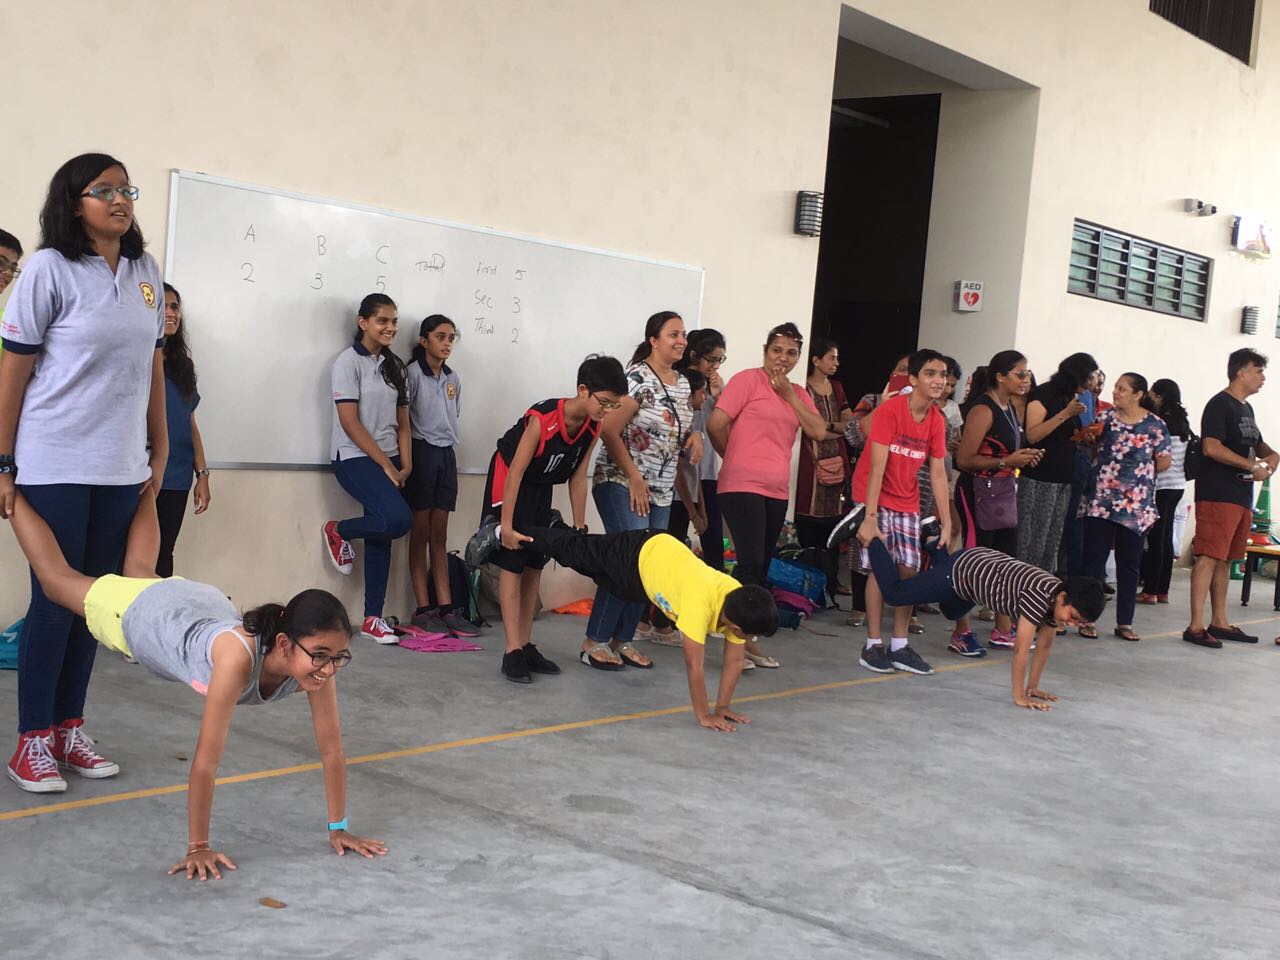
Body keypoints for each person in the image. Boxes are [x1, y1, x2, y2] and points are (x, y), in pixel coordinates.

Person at [6, 490, 387, 875]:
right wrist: (198, 847)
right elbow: (206, 760)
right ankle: (9, 493)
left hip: (196, 604)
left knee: (140, 570)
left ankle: (147, 485)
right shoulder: (237, 659)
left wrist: (339, 828)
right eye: (321, 655)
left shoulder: (315, 668)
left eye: (339, 657)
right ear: (285, 644)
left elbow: (332, 752)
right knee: (56, 581)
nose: (329, 668)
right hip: (149, 619)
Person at [0, 153, 168, 792]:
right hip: (54, 461)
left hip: (120, 467)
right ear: (75, 203)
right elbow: (13, 374)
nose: (121, 200)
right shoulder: (48, 268)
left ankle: (68, 729)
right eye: (104, 190)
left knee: (99, 604)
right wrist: (3, 462)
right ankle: (31, 741)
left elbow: (153, 369)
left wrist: (159, 449)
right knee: (55, 600)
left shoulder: (147, 272)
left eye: (127, 189)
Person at [467, 522, 778, 732]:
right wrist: (704, 715)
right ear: (735, 624)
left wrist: (723, 706)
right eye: (749, 633)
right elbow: (694, 666)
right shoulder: (702, 604)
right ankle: (504, 530)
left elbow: (734, 661)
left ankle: (555, 529)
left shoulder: (738, 600)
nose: (749, 639)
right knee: (575, 553)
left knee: (592, 571)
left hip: (642, 583)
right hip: (639, 551)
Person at [479, 355, 627, 682]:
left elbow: (578, 476)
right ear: (583, 390)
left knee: (535, 561)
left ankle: (525, 644)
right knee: (512, 561)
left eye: (613, 405)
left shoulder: (592, 426)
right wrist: (506, 526)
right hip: (510, 481)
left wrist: (579, 526)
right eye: (604, 402)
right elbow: (515, 473)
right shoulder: (543, 419)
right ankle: (511, 650)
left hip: (540, 486)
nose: (606, 410)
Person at [863, 527, 1104, 710]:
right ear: (1063, 597)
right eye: (1073, 617)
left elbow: (1045, 645)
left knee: (951, 611)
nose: (1071, 624)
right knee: (896, 595)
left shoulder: (1056, 601)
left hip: (974, 585)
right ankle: (870, 537)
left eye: (1078, 623)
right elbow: (1021, 650)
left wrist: (1033, 687)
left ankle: (934, 543)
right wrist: (1019, 695)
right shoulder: (1039, 596)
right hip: (963, 571)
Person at [708, 322, 827, 668]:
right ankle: (739, 643)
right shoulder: (747, 381)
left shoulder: (798, 393)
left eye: (791, 353)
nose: (782, 358)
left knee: (761, 564)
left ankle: (740, 634)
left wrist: (789, 395)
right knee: (750, 563)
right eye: (777, 351)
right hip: (741, 484)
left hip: (776, 489)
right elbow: (716, 424)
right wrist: (733, 456)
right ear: (765, 351)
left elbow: (818, 431)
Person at [829, 348, 951, 676]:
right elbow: (877, 467)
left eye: (942, 375)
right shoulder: (890, 411)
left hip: (907, 499)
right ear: (913, 379)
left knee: (909, 570)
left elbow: (938, 473)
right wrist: (869, 518)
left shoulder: (936, 420)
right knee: (880, 571)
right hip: (875, 496)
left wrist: (947, 522)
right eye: (930, 374)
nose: (938, 380)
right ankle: (873, 645)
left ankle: (899, 645)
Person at [589, 312, 700, 670]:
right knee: (626, 560)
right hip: (622, 482)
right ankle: (595, 641)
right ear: (653, 340)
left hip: (661, 490)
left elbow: (678, 427)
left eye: (683, 334)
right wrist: (635, 476)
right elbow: (609, 430)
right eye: (673, 334)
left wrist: (695, 436)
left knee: (650, 567)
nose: (681, 341)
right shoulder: (636, 378)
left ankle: (623, 641)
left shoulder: (682, 383)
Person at [321, 294, 413, 644]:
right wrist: (385, 464)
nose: (390, 327)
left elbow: (403, 423)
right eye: (382, 321)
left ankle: (373, 618)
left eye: (394, 321)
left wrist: (405, 464)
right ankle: (339, 530)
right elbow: (350, 422)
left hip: (390, 459)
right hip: (353, 457)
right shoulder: (347, 363)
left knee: (383, 530)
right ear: (363, 323)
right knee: (397, 520)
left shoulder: (395, 366)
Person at [1184, 349, 1277, 648]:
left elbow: (1259, 445)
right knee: (1209, 555)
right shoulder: (1219, 404)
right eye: (1258, 371)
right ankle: (1195, 625)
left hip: (1240, 494)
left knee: (1225, 558)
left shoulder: (1246, 409)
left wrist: (1272, 457)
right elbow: (1211, 447)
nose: (1262, 377)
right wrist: (1251, 466)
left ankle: (1219, 621)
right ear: (1241, 372)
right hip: (1218, 492)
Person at [955, 350, 1044, 648]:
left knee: (1006, 562)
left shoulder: (1009, 408)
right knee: (973, 563)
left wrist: (1022, 458)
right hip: (978, 493)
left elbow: (1003, 454)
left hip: (1002, 493)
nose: (1026, 379)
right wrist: (1007, 461)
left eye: (1027, 373)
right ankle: (961, 631)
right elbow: (964, 460)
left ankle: (1003, 628)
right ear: (1001, 376)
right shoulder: (983, 409)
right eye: (1020, 373)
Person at [1077, 373, 1171, 641]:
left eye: (1122, 388)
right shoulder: (1105, 418)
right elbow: (1092, 447)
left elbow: (1164, 461)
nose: (1115, 392)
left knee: (1129, 563)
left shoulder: (1155, 425)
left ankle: (1125, 622)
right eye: (1116, 387)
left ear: (1138, 394)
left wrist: (1139, 468)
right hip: (1102, 499)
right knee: (1094, 560)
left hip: (1135, 504)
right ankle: (1087, 618)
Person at [403, 314, 475, 638]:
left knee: (440, 534)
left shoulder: (452, 378)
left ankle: (446, 607)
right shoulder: (412, 374)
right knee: (419, 533)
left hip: (446, 454)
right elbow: (405, 420)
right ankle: (424, 608)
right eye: (440, 337)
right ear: (424, 340)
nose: (447, 344)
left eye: (451, 338)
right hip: (421, 452)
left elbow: (453, 414)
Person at [1017, 353, 1095, 573]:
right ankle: (1023, 585)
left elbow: (1063, 435)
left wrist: (1084, 435)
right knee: (1033, 540)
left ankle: (1043, 586)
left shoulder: (1069, 397)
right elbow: (1033, 435)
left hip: (1063, 478)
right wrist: (1065, 414)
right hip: (1040, 477)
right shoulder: (1043, 394)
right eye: (1088, 377)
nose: (1090, 383)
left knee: (1052, 540)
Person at [155, 283, 212, 578]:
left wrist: (202, 474)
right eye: (162, 306)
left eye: (175, 307)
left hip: (177, 477)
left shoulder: (183, 366)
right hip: (142, 475)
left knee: (164, 552)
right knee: (129, 552)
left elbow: (190, 423)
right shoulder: (137, 359)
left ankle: (161, 606)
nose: (171, 313)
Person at [795, 338, 853, 604]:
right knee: (808, 521)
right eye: (831, 357)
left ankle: (829, 584)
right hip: (810, 462)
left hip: (837, 461)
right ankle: (808, 587)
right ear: (816, 360)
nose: (836, 363)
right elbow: (808, 427)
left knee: (833, 524)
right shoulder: (803, 388)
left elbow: (849, 424)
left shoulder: (837, 388)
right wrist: (831, 427)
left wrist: (825, 426)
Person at [1138, 379, 1191, 605]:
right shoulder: (1183, 421)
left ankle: (1150, 590)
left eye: (1151, 393)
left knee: (1156, 538)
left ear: (1159, 396)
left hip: (1161, 485)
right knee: (1166, 537)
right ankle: (1162, 590)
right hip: (1178, 486)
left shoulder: (1161, 423)